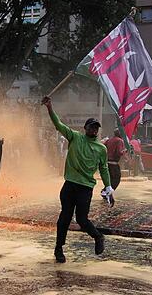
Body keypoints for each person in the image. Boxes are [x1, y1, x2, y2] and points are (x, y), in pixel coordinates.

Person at [42, 96, 112, 264]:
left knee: (82, 219)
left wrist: (109, 186)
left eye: (96, 127)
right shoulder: (75, 137)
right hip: (70, 185)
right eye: (91, 126)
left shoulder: (101, 148)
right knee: (64, 217)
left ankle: (97, 237)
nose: (94, 129)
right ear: (85, 128)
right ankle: (58, 249)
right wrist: (50, 107)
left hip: (85, 188)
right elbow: (58, 124)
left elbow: (104, 168)